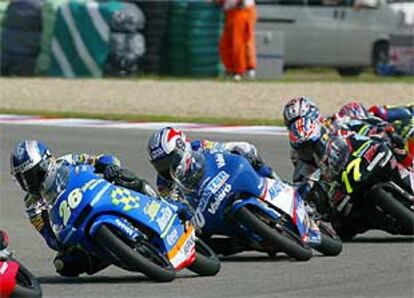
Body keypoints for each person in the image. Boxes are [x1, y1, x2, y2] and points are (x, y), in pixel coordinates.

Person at [10, 140, 157, 277]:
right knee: (63, 264)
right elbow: (48, 237)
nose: (29, 183)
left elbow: (103, 159)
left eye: (31, 175)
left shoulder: (66, 161)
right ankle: (115, 253)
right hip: (76, 227)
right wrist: (59, 240)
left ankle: (154, 200)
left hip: (98, 196)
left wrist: (109, 166)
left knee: (124, 177)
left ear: (46, 162)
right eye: (22, 179)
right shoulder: (31, 204)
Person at [147, 126, 276, 197]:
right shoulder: (162, 183)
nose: (166, 168)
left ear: (181, 147)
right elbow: (170, 205)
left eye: (169, 160)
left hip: (223, 183)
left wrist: (240, 150)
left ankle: (275, 182)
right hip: (203, 210)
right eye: (160, 165)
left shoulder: (199, 146)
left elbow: (225, 147)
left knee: (247, 149)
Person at [216, 0, 257, 81]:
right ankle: (231, 69)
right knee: (224, 44)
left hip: (241, 11)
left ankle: (239, 71)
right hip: (231, 12)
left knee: (238, 43)